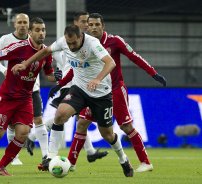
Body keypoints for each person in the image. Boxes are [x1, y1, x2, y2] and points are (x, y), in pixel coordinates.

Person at [12, 24, 134, 177]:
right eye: (68, 43)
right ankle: (50, 157)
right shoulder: (64, 42)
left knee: (107, 134)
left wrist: (97, 79)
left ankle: (123, 159)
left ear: (81, 37)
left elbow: (111, 63)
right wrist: (25, 63)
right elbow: (45, 51)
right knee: (60, 115)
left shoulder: (92, 43)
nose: (71, 46)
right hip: (79, 89)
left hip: (101, 94)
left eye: (74, 43)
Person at [55, 13, 167, 173]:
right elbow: (77, 69)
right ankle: (71, 163)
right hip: (91, 92)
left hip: (115, 90)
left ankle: (145, 162)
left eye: (96, 25)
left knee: (126, 126)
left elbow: (134, 57)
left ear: (103, 26)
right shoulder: (83, 44)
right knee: (82, 123)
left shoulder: (115, 41)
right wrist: (61, 82)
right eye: (90, 24)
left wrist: (153, 73)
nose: (92, 27)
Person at [0, 17, 56, 176]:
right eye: (37, 30)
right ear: (30, 32)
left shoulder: (46, 52)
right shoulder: (18, 47)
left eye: (43, 30)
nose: (41, 33)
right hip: (8, 96)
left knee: (23, 132)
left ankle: (0, 167)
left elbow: (49, 75)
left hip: (25, 98)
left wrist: (57, 76)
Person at [41, 12, 108, 167]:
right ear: (76, 23)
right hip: (70, 85)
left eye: (89, 22)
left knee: (80, 120)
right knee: (66, 117)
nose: (87, 24)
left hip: (86, 86)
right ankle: (36, 136)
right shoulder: (65, 42)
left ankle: (89, 152)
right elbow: (52, 58)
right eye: (84, 21)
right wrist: (56, 76)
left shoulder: (90, 42)